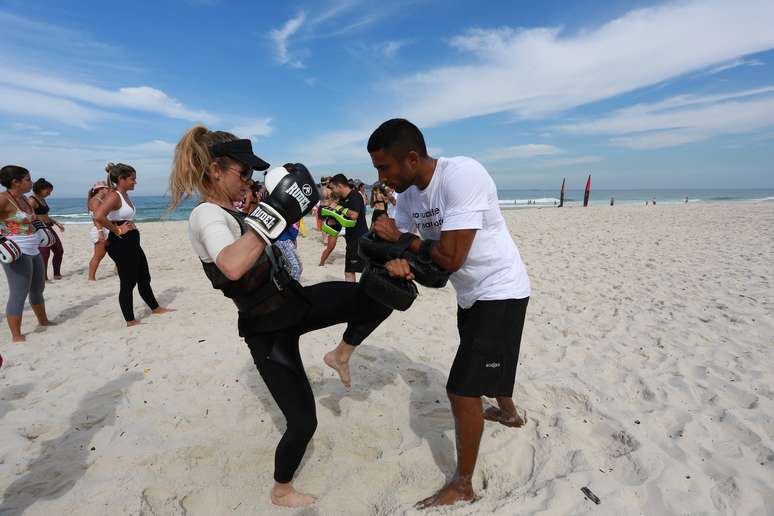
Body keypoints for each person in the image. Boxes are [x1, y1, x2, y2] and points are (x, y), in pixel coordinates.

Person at [169, 125, 392, 507]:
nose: (249, 181)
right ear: (215, 170)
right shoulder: (207, 216)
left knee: (379, 296)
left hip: (295, 304)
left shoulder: (235, 212)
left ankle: (341, 353)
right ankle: (281, 488)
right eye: (244, 173)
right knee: (304, 422)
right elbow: (233, 265)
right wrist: (275, 212)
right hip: (267, 329)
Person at [368, 119, 531, 508]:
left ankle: (462, 484)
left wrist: (404, 243)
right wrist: (398, 260)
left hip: (501, 288)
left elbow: (450, 257)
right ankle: (509, 414)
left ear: (411, 158)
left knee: (461, 388)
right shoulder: (408, 197)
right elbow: (415, 257)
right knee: (487, 360)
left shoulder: (462, 176)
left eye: (384, 168)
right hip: (470, 294)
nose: (381, 178)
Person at [94, 163, 174, 326]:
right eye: (132, 179)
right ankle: (130, 320)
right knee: (128, 282)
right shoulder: (114, 195)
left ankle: (155, 308)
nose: (135, 182)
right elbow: (99, 215)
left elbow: (121, 216)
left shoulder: (123, 195)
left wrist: (128, 225)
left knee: (144, 276)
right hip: (120, 243)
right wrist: (117, 229)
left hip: (131, 242)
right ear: (121, 179)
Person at [0, 165, 52, 342]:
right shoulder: (3, 199)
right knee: (19, 292)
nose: (31, 182)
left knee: (38, 288)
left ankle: (43, 321)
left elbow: (33, 220)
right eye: (28, 179)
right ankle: (16, 335)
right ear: (16, 182)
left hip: (33, 247)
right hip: (16, 251)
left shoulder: (24, 199)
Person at [326, 174, 368, 282]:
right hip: (351, 239)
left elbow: (354, 215)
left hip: (358, 239)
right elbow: (340, 217)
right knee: (352, 270)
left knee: (352, 271)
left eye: (333, 188)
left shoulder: (355, 196)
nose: (332, 191)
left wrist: (338, 207)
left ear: (339, 186)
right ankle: (354, 294)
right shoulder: (343, 199)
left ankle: (355, 294)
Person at [28, 178, 65, 281]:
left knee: (59, 250)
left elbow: (45, 215)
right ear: (40, 189)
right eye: (48, 191)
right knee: (45, 253)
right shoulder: (31, 200)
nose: (49, 194)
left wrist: (56, 223)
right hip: (39, 229)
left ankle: (57, 274)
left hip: (48, 227)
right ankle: (43, 278)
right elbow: (28, 217)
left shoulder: (42, 200)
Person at [87, 182, 111, 281]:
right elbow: (97, 218)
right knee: (98, 255)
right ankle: (91, 278)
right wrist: (100, 232)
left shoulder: (101, 200)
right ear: (101, 189)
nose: (108, 190)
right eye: (106, 188)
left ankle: (118, 270)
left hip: (105, 229)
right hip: (100, 230)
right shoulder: (95, 201)